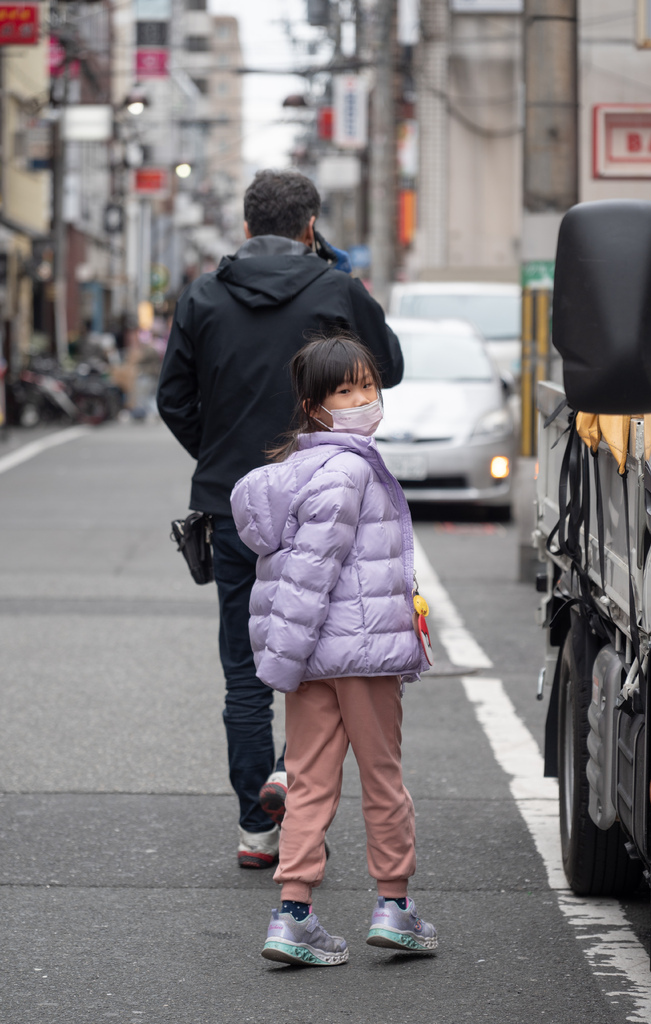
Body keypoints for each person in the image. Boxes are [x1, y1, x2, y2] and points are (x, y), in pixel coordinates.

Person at [157, 170, 403, 869]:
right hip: (325, 501)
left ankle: (256, 830)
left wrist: (222, 457)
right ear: (309, 227)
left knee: (244, 673)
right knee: (316, 663)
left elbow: (173, 398)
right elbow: (387, 367)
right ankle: (290, 781)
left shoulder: (203, 295)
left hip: (231, 502)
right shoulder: (334, 291)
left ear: (243, 227)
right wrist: (339, 274)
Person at [230, 331, 437, 966]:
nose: (362, 399)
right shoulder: (349, 470)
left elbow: (294, 574)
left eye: (368, 385)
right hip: (364, 655)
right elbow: (313, 571)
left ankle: (294, 914)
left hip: (315, 660)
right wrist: (282, 661)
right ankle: (394, 905)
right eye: (345, 390)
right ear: (314, 405)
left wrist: (289, 662)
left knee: (308, 781)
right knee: (382, 778)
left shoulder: (292, 472)